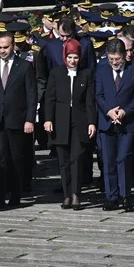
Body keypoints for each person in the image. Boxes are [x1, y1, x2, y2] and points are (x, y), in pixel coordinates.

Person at [0, 30, 36, 210]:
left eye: (6, 47)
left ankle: (16, 194)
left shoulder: (24, 67)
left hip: (17, 120)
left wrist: (30, 119)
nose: (2, 51)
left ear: (13, 46)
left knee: (16, 158)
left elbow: (31, 95)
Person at [42, 38, 95, 209]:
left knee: (77, 159)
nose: (72, 61)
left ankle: (76, 194)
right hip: (60, 121)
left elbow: (89, 101)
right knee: (63, 160)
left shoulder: (86, 74)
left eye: (76, 57)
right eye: (70, 57)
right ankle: (66, 194)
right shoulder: (56, 73)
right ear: (65, 56)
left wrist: (92, 122)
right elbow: (49, 98)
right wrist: (48, 119)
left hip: (79, 121)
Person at [94, 38, 134, 211]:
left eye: (117, 59)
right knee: (108, 161)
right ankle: (111, 196)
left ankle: (125, 196)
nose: (114, 62)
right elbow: (98, 95)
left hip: (127, 123)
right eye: (111, 59)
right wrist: (109, 111)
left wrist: (124, 111)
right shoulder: (101, 70)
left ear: (125, 56)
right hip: (107, 123)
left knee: (123, 158)